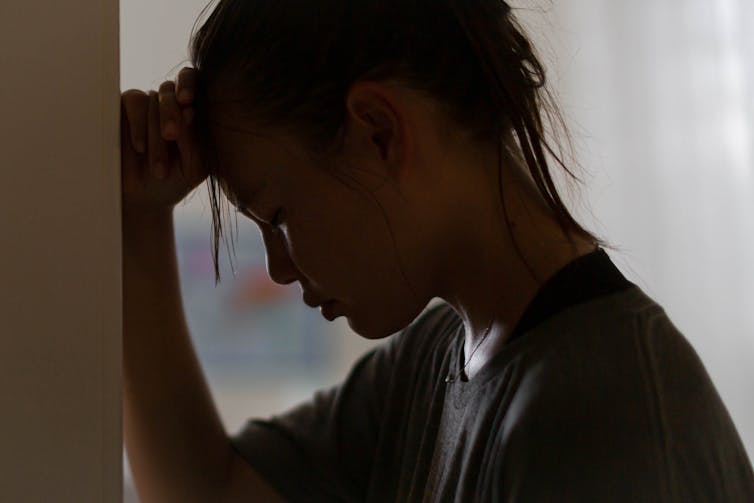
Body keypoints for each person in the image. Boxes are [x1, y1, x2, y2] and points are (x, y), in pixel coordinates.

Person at [120, 0, 754, 501]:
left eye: (279, 217)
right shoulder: (432, 362)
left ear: (379, 131)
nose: (280, 269)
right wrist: (140, 218)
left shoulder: (606, 419)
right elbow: (207, 491)